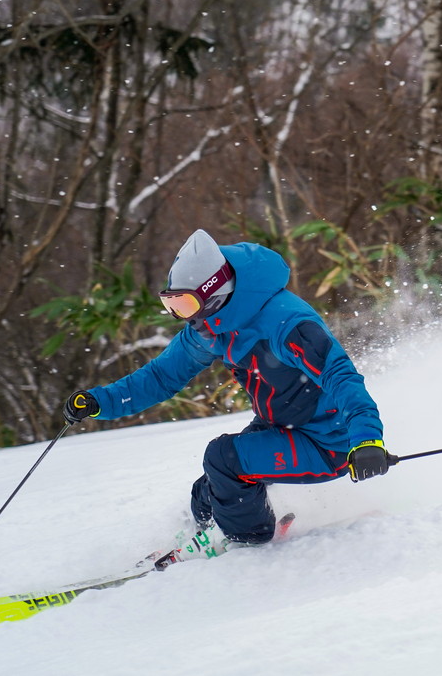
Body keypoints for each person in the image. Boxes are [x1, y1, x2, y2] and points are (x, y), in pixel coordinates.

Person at [62, 229, 393, 547]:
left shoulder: (287, 324)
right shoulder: (212, 327)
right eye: (173, 306)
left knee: (224, 460)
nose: (183, 318)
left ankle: (249, 541)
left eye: (186, 306)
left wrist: (366, 440)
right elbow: (162, 376)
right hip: (282, 426)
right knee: (206, 493)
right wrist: (99, 401)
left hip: (329, 441)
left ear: (216, 292)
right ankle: (208, 535)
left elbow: (341, 377)